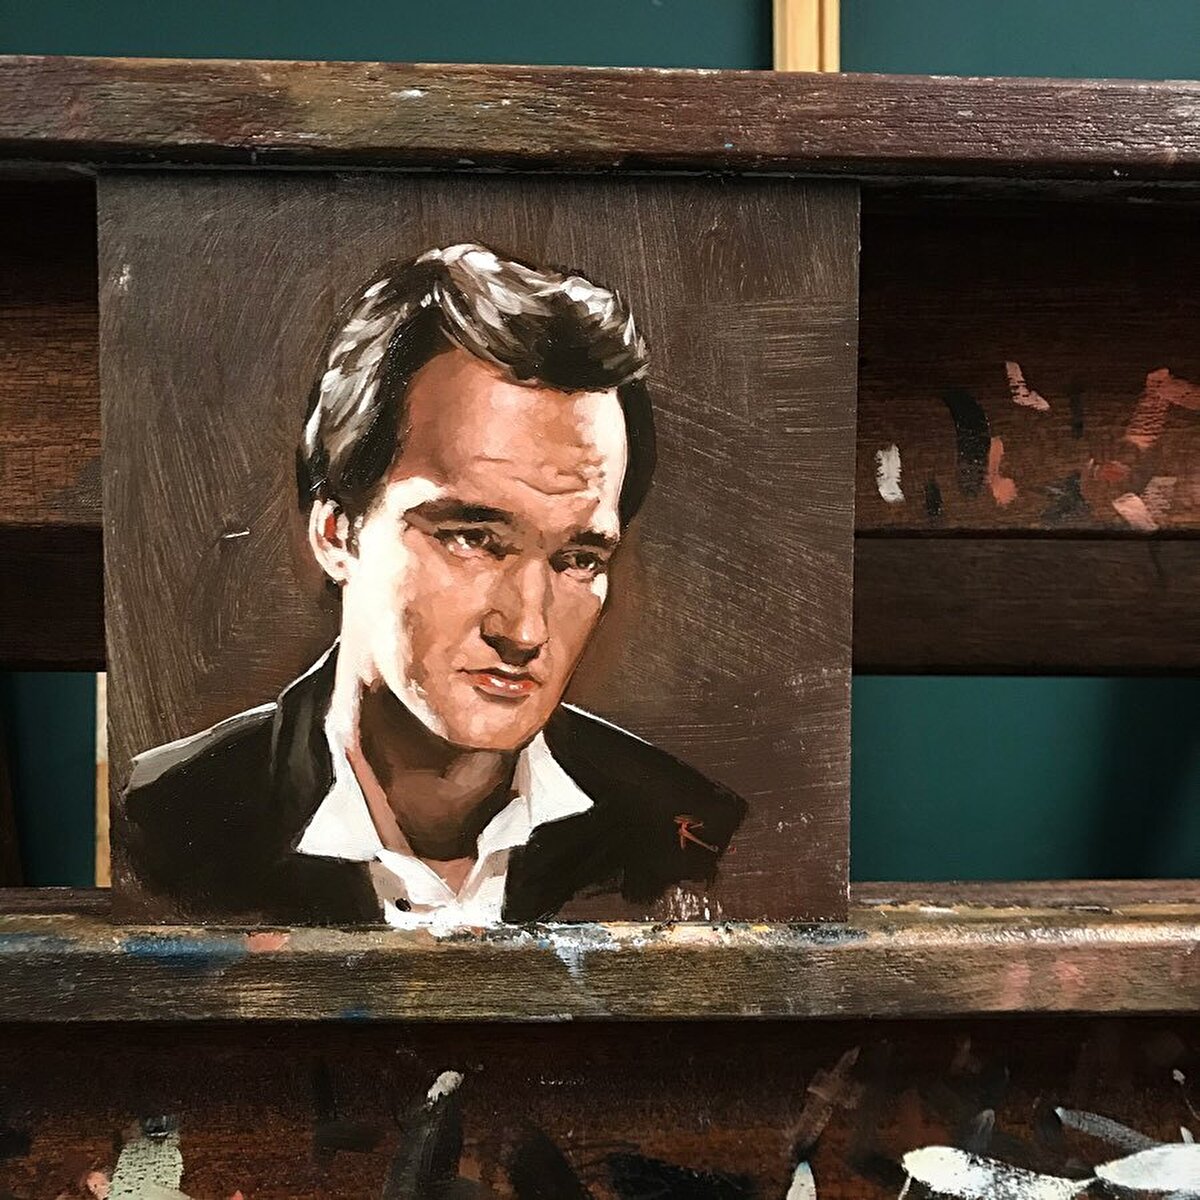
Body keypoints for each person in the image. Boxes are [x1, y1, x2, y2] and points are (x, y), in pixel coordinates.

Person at [118, 244, 745, 926]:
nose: (525, 630)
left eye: (578, 558)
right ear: (337, 533)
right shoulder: (158, 824)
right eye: (472, 538)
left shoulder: (687, 836)